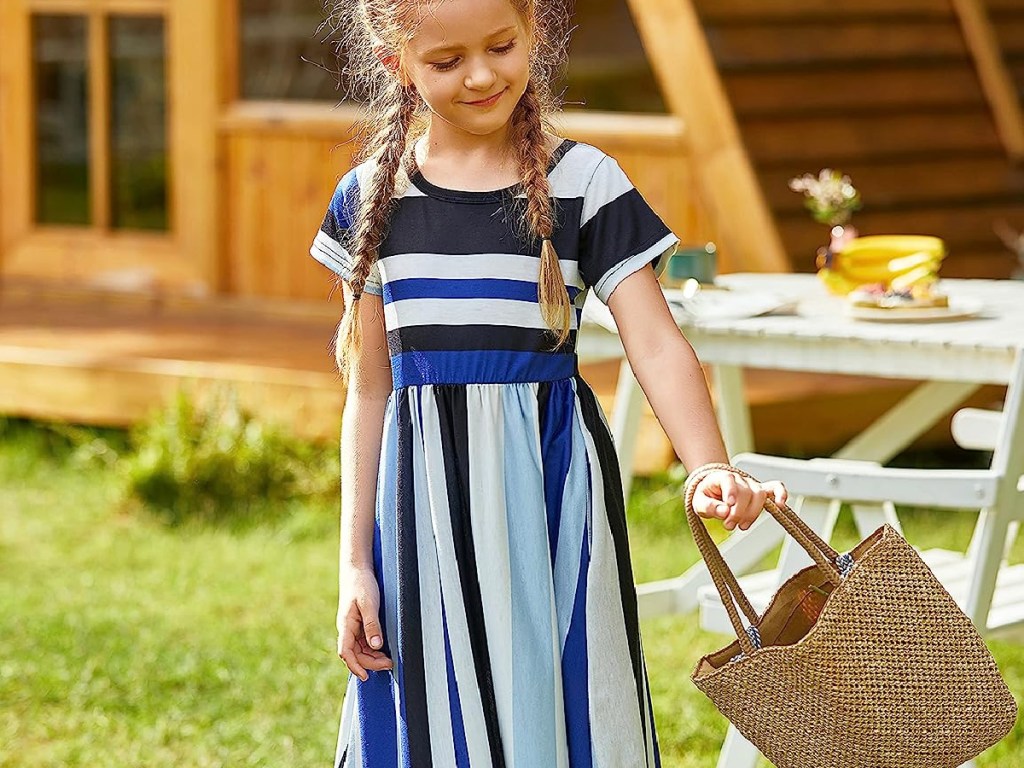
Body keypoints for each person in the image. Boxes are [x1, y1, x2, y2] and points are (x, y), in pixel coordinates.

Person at [309, 0, 787, 765]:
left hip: (555, 499)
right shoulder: (371, 198)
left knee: (568, 705)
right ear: (396, 62)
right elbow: (368, 391)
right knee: (432, 717)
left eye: (501, 45)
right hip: (421, 515)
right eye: (446, 61)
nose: (480, 74)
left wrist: (707, 465)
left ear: (533, 31)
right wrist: (355, 565)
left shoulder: (585, 181)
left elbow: (657, 345)